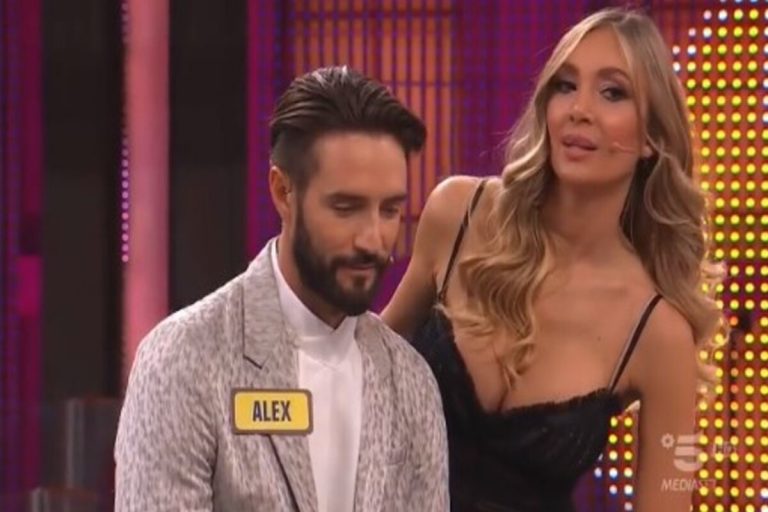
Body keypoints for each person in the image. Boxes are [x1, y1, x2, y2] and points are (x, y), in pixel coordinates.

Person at [382, 8, 724, 512]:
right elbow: (361, 372)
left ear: (652, 136)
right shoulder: (459, 215)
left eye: (612, 92)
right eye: (565, 86)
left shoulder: (657, 330)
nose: (579, 109)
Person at [115, 66, 449, 512]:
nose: (373, 239)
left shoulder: (411, 382)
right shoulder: (183, 359)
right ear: (283, 192)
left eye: (389, 210)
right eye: (346, 207)